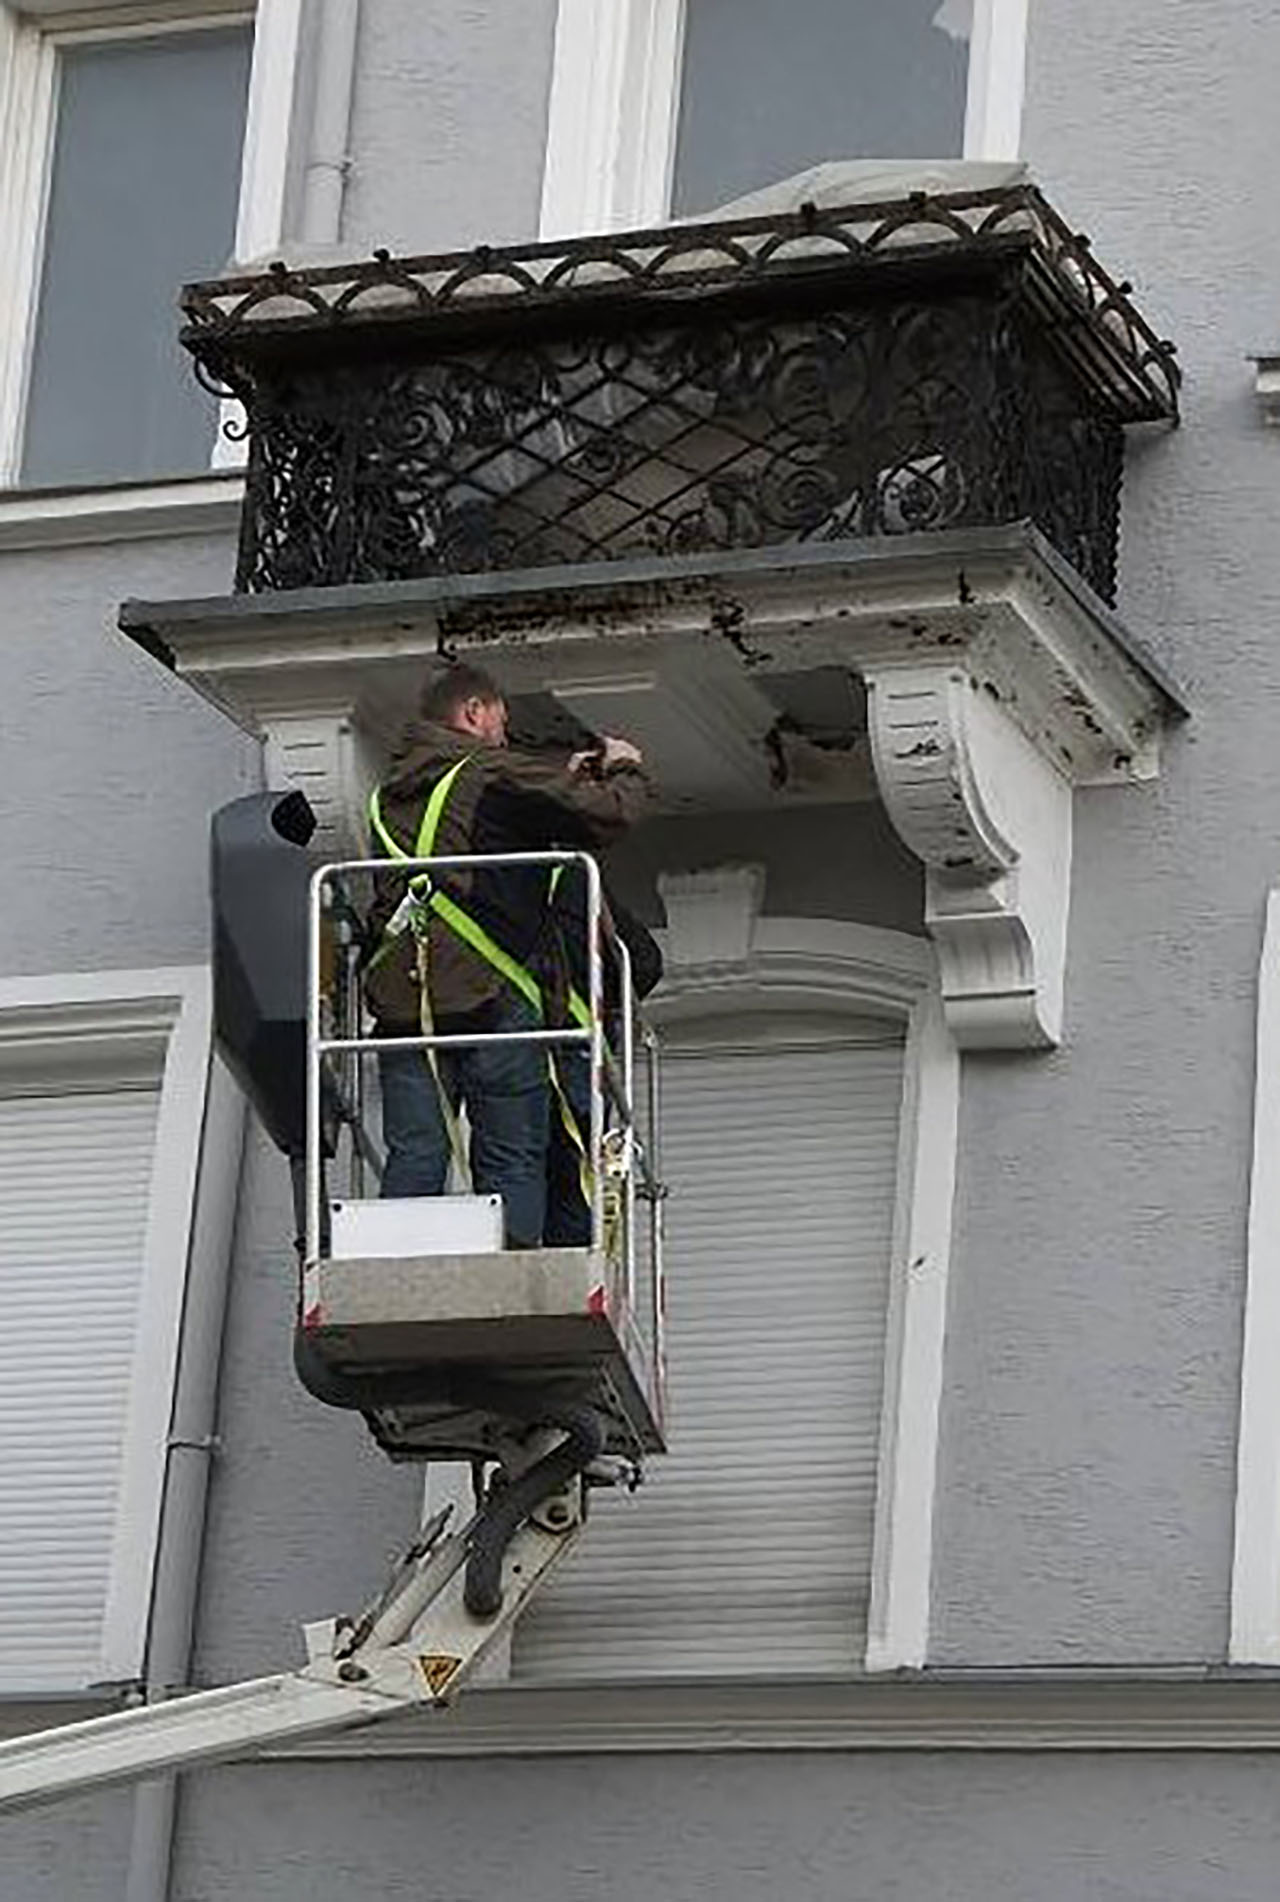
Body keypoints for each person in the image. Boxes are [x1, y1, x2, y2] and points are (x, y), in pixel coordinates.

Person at [364, 663, 651, 1247]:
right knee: (510, 1154)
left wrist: (554, 783)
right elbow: (607, 814)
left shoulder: (387, 796)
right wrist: (623, 765)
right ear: (474, 712)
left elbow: (478, 835)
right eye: (501, 719)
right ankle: (514, 1269)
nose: (504, 733)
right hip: (490, 995)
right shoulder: (487, 768)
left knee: (417, 1150)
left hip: (405, 1001)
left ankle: (392, 1263)